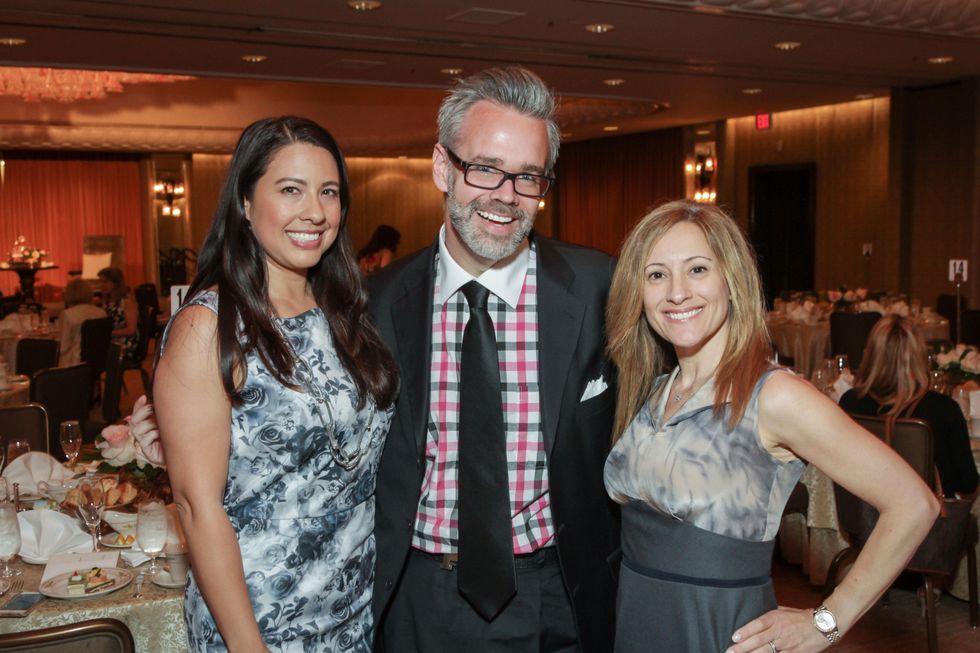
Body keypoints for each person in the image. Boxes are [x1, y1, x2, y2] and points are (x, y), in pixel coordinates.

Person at [603, 200, 938, 653]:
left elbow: (913, 503)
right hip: (638, 622)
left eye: (698, 269)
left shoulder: (774, 396)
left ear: (731, 279)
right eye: (656, 274)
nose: (677, 293)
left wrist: (827, 622)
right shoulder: (653, 390)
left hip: (721, 632)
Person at [368, 67, 619, 652]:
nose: (506, 195)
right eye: (484, 168)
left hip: (561, 593)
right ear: (442, 167)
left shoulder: (597, 288)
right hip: (420, 595)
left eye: (527, 177)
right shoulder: (376, 302)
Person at [153, 116, 398, 652]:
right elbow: (197, 507)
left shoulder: (347, 313)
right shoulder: (209, 328)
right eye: (291, 190)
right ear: (245, 202)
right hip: (260, 620)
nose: (315, 211)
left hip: (353, 612)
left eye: (328, 192)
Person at [840, 313, 979, 498]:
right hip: (928, 515)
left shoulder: (850, 402)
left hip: (865, 510)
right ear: (919, 356)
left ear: (871, 354)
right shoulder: (943, 409)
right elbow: (967, 483)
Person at [57, 277, 107, 366]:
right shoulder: (101, 312)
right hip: (99, 362)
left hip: (73, 364)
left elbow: (62, 347)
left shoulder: (68, 314)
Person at [97, 266, 139, 364]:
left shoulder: (127, 301)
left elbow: (131, 330)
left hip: (125, 342)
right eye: (100, 282)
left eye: (105, 282)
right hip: (112, 339)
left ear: (115, 283)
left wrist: (108, 333)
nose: (102, 285)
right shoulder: (107, 302)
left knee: (97, 351)